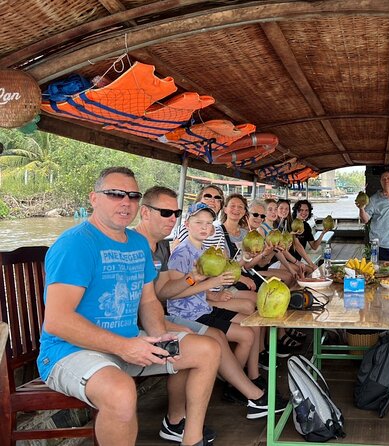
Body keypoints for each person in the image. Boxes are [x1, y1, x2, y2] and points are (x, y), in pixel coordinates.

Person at [37, 167, 219, 446]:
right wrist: (124, 347)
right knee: (121, 391)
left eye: (133, 196)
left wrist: (159, 338)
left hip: (128, 343)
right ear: (94, 198)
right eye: (114, 194)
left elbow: (148, 300)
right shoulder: (75, 244)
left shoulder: (137, 243)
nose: (126, 202)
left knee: (207, 349)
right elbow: (57, 321)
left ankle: (191, 439)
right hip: (69, 351)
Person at [134, 187, 283, 420]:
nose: (171, 218)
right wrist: (207, 282)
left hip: (194, 309)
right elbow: (169, 294)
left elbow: (162, 292)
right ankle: (242, 391)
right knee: (210, 342)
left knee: (237, 330)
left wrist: (210, 285)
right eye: (166, 213)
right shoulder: (178, 252)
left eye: (174, 213)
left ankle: (242, 387)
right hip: (184, 314)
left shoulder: (168, 247)